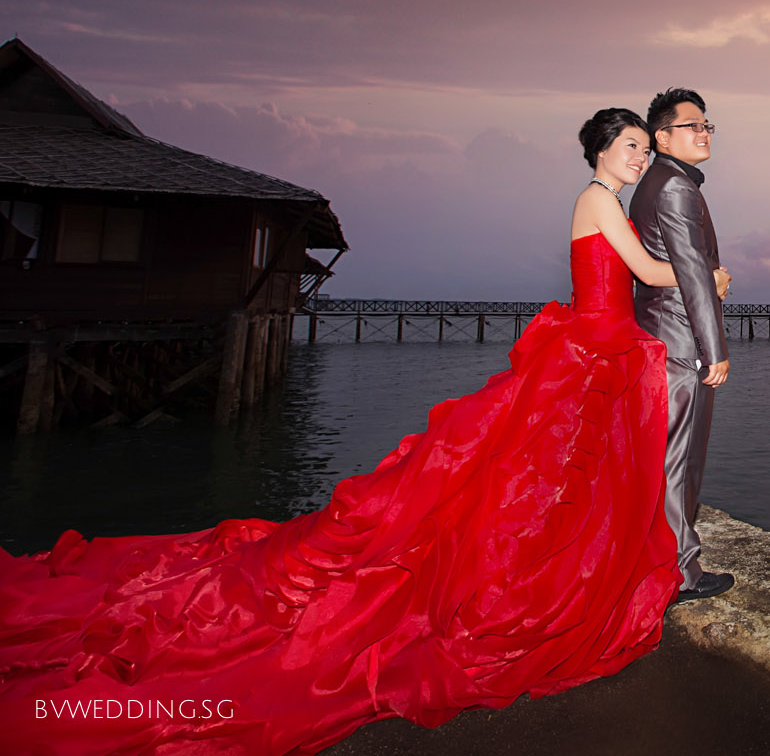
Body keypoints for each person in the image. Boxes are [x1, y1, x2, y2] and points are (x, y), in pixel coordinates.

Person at [0, 108, 719, 756]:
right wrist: (707, 279)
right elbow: (650, 269)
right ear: (600, 151)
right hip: (592, 350)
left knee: (545, 476)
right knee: (543, 478)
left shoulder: (605, 200)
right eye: (628, 146)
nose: (635, 157)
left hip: (596, 349)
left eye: (638, 147)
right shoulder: (598, 200)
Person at [629, 88, 734, 602]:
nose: (704, 133)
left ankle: (665, 561)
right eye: (692, 125)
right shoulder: (672, 186)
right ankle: (681, 574)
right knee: (679, 458)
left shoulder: (661, 182)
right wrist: (713, 349)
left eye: (708, 125)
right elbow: (692, 270)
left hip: (662, 333)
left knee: (672, 456)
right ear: (661, 136)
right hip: (680, 341)